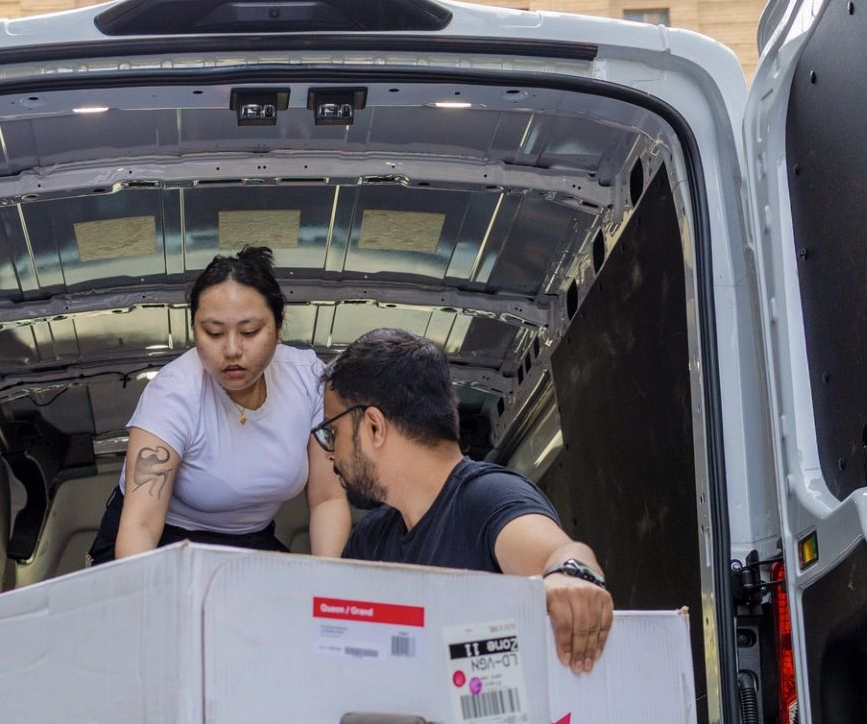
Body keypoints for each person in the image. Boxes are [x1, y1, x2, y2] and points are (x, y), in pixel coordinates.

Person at [317, 327, 614, 672]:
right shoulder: (371, 540)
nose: (330, 453)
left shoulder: (487, 497)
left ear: (374, 427)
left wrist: (570, 575)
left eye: (332, 432)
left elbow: (561, 555)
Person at [89, 246, 351, 564]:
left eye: (249, 332)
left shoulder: (307, 377)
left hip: (250, 543)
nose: (231, 350)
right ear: (195, 330)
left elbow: (327, 498)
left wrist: (331, 584)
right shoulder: (173, 394)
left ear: (279, 326)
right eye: (213, 333)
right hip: (164, 543)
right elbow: (141, 525)